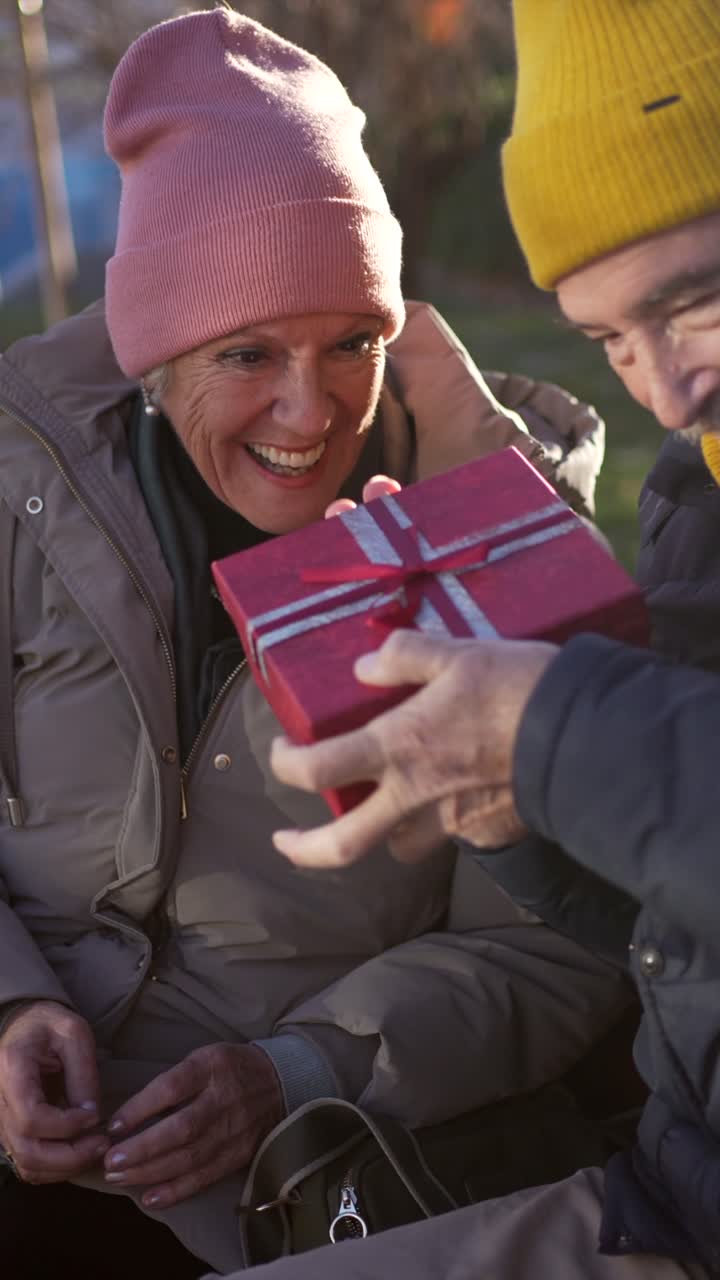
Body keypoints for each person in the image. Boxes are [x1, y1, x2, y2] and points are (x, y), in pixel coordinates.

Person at [0, 8, 628, 1277]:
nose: (312, 408)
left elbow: (560, 951)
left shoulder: (502, 548)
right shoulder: (26, 479)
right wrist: (9, 1004)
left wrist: (298, 1069)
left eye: (354, 341)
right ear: (153, 358)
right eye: (247, 353)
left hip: (286, 1195)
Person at [245, 1, 720, 1278]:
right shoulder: (700, 496)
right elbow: (672, 915)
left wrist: (554, 728)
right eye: (611, 340)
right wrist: (514, 810)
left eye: (698, 303)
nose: (670, 392)